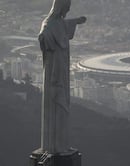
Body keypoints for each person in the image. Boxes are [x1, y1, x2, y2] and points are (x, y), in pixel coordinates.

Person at [39, 0, 86, 153]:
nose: (66, 12)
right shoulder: (49, 23)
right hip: (54, 70)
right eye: (66, 8)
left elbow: (63, 26)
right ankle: (53, 147)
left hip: (62, 69)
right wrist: (45, 38)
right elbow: (44, 35)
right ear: (60, 8)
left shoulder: (58, 22)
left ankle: (62, 145)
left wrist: (76, 21)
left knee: (62, 106)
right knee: (55, 105)